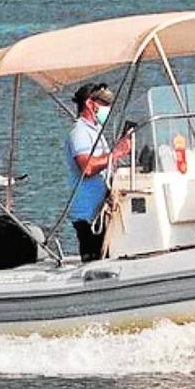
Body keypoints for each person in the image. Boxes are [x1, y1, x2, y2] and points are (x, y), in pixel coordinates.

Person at [65, 82, 131, 261]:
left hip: (101, 211)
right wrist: (116, 153)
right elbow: (87, 168)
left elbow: (105, 163)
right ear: (89, 103)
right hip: (88, 216)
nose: (107, 108)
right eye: (103, 104)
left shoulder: (95, 131)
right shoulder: (79, 132)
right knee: (95, 260)